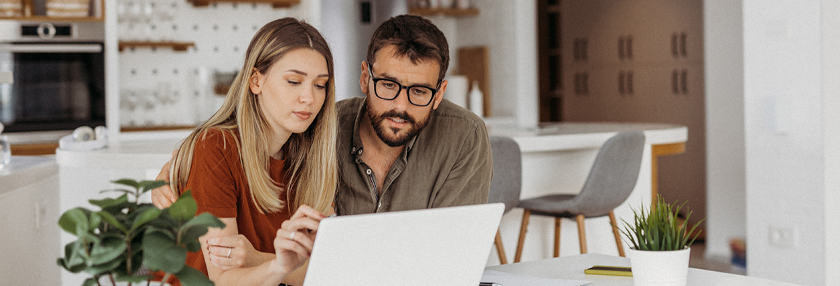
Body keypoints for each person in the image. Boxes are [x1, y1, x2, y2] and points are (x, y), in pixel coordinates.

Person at [152, 13, 492, 278]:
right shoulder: (322, 129)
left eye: (419, 91)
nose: (400, 106)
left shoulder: (463, 137)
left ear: (440, 94)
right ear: (364, 78)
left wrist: (263, 261)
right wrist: (178, 167)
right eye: (388, 85)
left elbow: (448, 262)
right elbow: (231, 142)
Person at [155, 17, 338, 286]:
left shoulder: (310, 157)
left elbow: (325, 269)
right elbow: (224, 279)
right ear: (256, 81)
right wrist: (279, 266)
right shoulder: (216, 148)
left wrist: (264, 261)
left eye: (320, 85)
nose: (309, 98)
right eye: (294, 81)